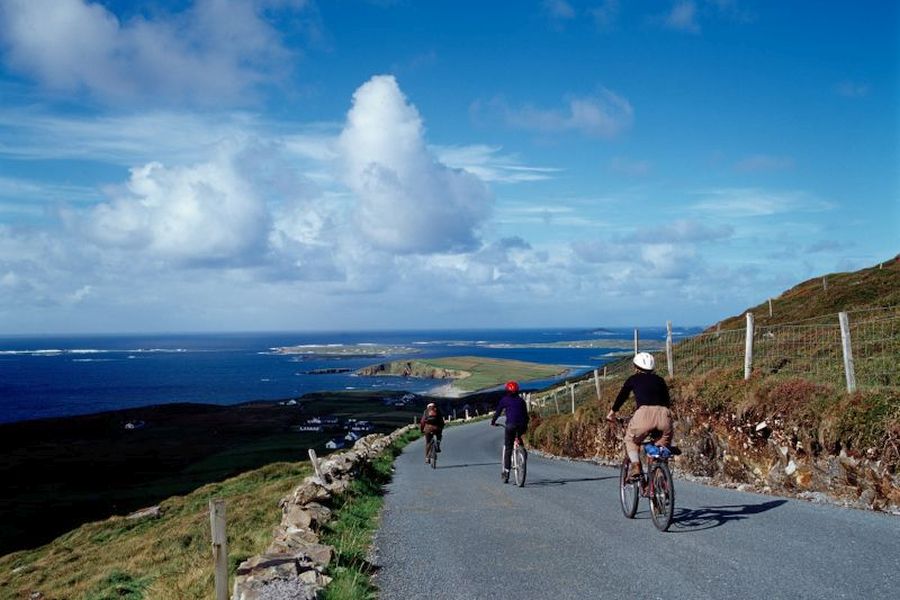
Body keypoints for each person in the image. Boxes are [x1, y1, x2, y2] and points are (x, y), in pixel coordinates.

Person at [606, 352, 673, 479]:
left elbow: (622, 396)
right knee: (661, 446)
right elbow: (667, 401)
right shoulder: (660, 380)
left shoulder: (633, 379)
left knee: (630, 440)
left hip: (643, 415)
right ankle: (660, 478)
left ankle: (636, 466)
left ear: (636, 367)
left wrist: (612, 412)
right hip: (664, 415)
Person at [491, 380, 529, 483]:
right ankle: (523, 456)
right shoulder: (521, 401)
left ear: (507, 391)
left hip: (510, 426)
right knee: (519, 440)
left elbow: (498, 412)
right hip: (521, 426)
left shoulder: (504, 400)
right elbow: (526, 416)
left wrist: (493, 421)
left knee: (508, 448)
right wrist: (525, 426)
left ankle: (506, 473)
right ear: (517, 391)